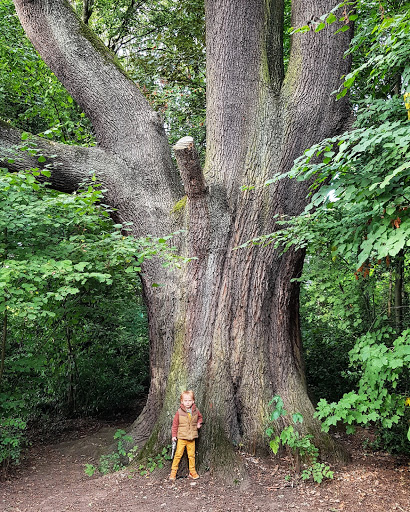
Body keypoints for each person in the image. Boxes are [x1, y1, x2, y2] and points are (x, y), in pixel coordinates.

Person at [169, 390, 203, 481]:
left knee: (191, 456)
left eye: (189, 400)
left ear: (193, 401)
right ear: (182, 402)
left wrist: (199, 423)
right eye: (185, 401)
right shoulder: (179, 412)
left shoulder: (196, 411)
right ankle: (173, 472)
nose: (187, 403)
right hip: (182, 437)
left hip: (191, 438)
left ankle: (192, 471)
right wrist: (174, 435)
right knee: (178, 455)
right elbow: (175, 424)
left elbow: (200, 417)